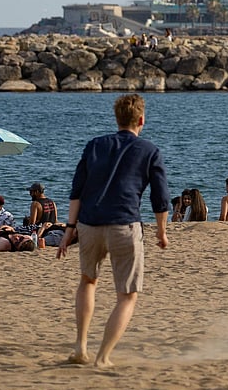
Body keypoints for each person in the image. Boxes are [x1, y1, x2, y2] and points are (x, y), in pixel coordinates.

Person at [57, 93, 170, 369]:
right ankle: (103, 357)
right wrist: (161, 231)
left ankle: (80, 346)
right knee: (127, 295)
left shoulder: (95, 145)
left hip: (89, 224)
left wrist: (69, 229)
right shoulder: (149, 150)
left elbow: (77, 191)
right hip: (124, 225)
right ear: (141, 120)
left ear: (116, 118)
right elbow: (161, 197)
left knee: (88, 281)